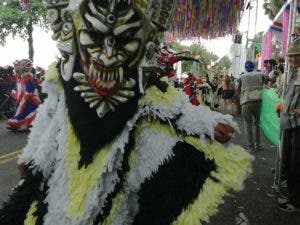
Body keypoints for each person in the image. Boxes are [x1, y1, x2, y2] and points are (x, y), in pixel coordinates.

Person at [0, 0, 252, 224]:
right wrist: (33, 157)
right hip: (60, 193)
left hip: (116, 195)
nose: (108, 55)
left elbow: (178, 109)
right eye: (96, 38)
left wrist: (211, 123)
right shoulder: (65, 80)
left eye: (122, 40)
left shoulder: (142, 88)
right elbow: (48, 116)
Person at [278, 39, 300, 212]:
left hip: (298, 125)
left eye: (295, 56)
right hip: (288, 123)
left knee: (296, 164)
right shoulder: (293, 72)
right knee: (287, 161)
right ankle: (291, 194)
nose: (291, 59)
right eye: (290, 56)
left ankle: (296, 202)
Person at [237, 60, 264, 152]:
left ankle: (250, 147)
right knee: (257, 123)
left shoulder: (242, 77)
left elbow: (238, 89)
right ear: (254, 67)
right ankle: (258, 145)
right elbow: (264, 83)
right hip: (258, 101)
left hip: (246, 102)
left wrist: (239, 96)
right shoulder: (259, 74)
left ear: (245, 67)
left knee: (248, 125)